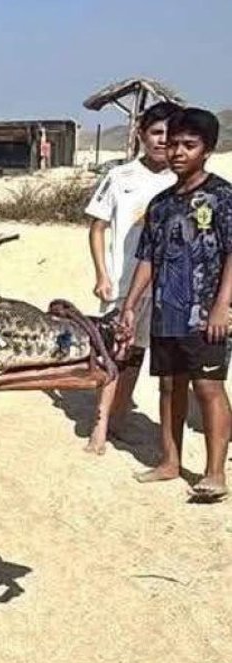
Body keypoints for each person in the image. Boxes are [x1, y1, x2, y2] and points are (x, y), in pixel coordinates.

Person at [120, 107, 232, 503]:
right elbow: (147, 258)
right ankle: (169, 461)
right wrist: (131, 304)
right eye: (173, 144)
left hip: (207, 315)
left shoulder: (222, 197)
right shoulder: (161, 203)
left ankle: (215, 472)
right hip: (167, 308)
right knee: (169, 386)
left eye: (190, 145)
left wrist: (222, 305)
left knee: (209, 387)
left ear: (207, 150)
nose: (179, 152)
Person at [82, 101, 180, 454]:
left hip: (165, 287)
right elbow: (97, 227)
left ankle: (120, 415)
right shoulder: (120, 177)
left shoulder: (179, 179)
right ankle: (100, 422)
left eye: (168, 135)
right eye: (155, 133)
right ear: (141, 134)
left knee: (137, 352)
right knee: (113, 350)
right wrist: (102, 274)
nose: (162, 141)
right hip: (123, 281)